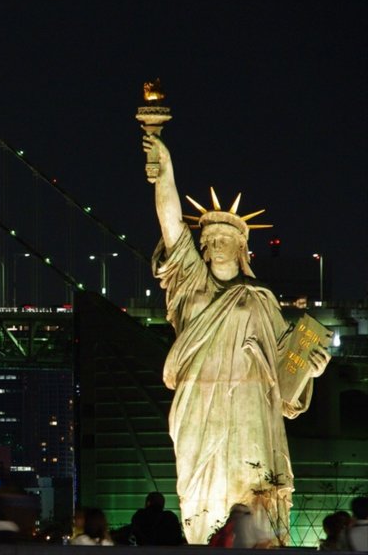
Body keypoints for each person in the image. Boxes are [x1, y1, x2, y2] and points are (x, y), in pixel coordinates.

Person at [144, 134, 331, 545]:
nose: (215, 245)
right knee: (197, 497)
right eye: (208, 240)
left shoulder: (260, 300)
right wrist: (165, 171)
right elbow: (171, 224)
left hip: (251, 408)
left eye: (224, 238)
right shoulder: (189, 282)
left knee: (254, 487)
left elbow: (287, 371)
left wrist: (310, 369)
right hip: (198, 403)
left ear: (242, 246)